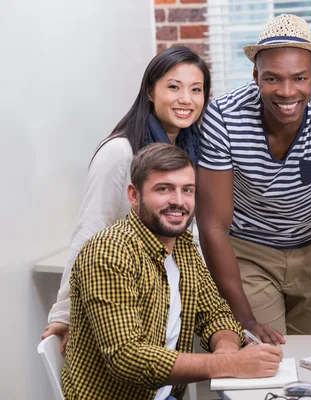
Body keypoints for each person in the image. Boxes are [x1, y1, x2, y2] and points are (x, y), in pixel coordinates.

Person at [196, 14, 311, 344]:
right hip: (250, 252)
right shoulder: (223, 116)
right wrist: (244, 318)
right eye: (273, 79)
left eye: (299, 78)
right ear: (255, 76)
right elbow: (212, 225)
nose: (287, 91)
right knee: (268, 355)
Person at [62, 143, 283, 400]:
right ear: (134, 195)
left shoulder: (183, 247)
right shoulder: (109, 252)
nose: (179, 201)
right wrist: (230, 365)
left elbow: (217, 315)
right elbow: (127, 357)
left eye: (187, 190)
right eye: (164, 189)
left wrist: (226, 349)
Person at [42, 46, 210, 351]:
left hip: (161, 295)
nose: (186, 99)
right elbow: (90, 230)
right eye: (174, 87)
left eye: (196, 89)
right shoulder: (120, 152)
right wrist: (64, 314)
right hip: (120, 294)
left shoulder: (192, 149)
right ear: (149, 91)